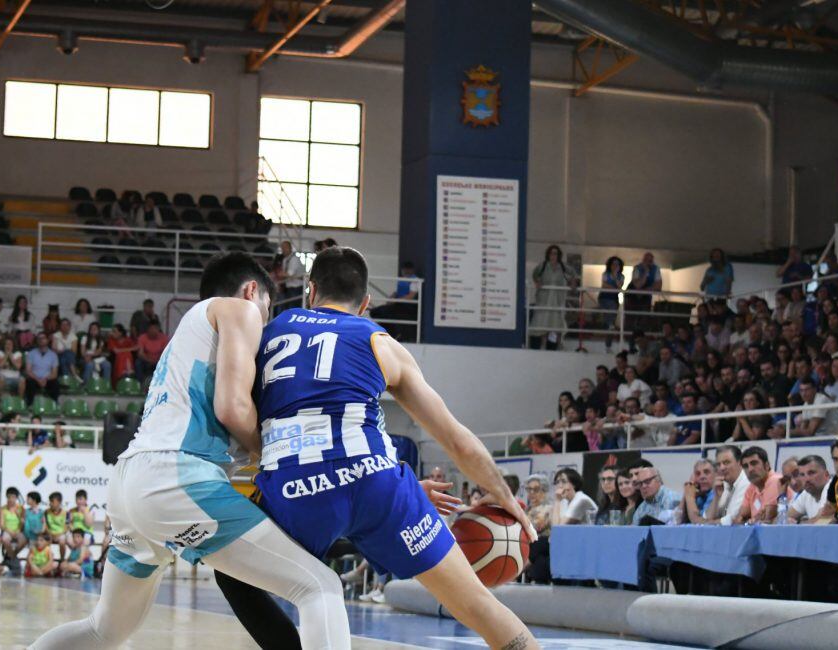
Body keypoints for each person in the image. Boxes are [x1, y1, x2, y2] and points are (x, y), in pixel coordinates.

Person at [31, 252, 355, 650]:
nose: (265, 323)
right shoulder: (238, 309)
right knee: (318, 586)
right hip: (175, 478)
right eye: (267, 311)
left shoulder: (189, 337)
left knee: (104, 630)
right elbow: (232, 408)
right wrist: (275, 454)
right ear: (252, 290)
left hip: (130, 482)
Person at [248, 247, 539, 649]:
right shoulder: (380, 342)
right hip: (377, 483)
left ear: (310, 292)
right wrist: (508, 498)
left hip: (295, 486)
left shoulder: (271, 330)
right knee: (475, 603)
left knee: (242, 578)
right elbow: (455, 439)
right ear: (366, 303)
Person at [531, 244, 577, 350]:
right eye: (551, 253)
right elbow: (535, 274)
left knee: (555, 326)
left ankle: (551, 347)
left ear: (559, 255)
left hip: (557, 301)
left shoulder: (563, 267)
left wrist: (573, 282)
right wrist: (537, 282)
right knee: (540, 323)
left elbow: (573, 274)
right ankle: (538, 347)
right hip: (543, 300)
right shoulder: (542, 266)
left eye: (555, 253)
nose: (553, 255)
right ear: (548, 254)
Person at [735, 446, 784, 524]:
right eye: (746, 466)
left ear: (767, 465)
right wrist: (752, 519)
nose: (750, 469)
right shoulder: (752, 487)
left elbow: (768, 518)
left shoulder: (775, 480)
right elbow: (740, 517)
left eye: (754, 463)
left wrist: (751, 520)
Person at [521, 475, 552, 584]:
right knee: (540, 560)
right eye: (529, 489)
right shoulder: (526, 509)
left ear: (544, 491)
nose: (531, 493)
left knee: (539, 544)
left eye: (536, 489)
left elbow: (536, 527)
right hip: (531, 547)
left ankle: (516, 572)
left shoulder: (548, 508)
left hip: (543, 543)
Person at [712, 445, 751, 525]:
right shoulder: (724, 484)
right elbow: (708, 517)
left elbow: (732, 519)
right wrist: (717, 497)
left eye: (726, 463)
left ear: (740, 463)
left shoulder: (747, 482)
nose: (722, 468)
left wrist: (703, 522)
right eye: (718, 464)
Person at [787, 456, 831, 523]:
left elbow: (822, 521)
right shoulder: (806, 493)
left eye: (811, 473)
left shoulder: (833, 488)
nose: (807, 479)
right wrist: (785, 521)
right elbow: (782, 517)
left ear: (826, 475)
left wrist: (797, 524)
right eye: (802, 474)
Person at [24, 333, 59, 405]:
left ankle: (54, 405)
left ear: (47, 340)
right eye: (39, 338)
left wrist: (45, 379)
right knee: (29, 383)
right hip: (35, 378)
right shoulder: (31, 353)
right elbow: (28, 371)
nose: (41, 340)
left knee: (55, 384)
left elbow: (54, 374)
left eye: (43, 338)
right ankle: (29, 405)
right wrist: (38, 380)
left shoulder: (53, 355)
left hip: (47, 379)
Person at [599, 256, 625, 352]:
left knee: (610, 323)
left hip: (614, 299)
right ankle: (609, 325)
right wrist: (615, 289)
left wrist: (615, 276)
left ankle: (608, 345)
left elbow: (620, 286)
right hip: (604, 298)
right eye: (613, 264)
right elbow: (604, 285)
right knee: (609, 321)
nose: (615, 266)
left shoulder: (621, 276)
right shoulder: (605, 274)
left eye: (617, 264)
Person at [681, 459, 718, 524]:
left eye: (706, 472)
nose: (702, 477)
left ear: (716, 475)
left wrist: (690, 498)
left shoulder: (716, 492)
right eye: (698, 474)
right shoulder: (698, 495)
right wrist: (686, 494)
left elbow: (701, 523)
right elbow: (675, 520)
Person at [274, 240, 305, 311]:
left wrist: (279, 274)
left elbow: (290, 273)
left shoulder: (295, 259)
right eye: (282, 248)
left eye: (285, 248)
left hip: (296, 287)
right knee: (288, 306)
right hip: (289, 286)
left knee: (293, 307)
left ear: (290, 248)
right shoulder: (285, 259)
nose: (283, 250)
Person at [0, 335, 25, 400]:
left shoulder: (18, 354)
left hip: (15, 377)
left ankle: (20, 401)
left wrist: (11, 356)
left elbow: (18, 367)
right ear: (3, 345)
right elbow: (0, 365)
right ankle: (0, 401)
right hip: (2, 377)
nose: (8, 346)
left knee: (22, 380)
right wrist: (6, 355)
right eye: (6, 344)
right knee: (1, 379)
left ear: (13, 345)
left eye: (10, 344)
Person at [44, 492, 70, 560]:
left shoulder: (66, 513)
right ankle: (47, 559)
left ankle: (62, 559)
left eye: (52, 502)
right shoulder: (46, 512)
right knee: (44, 541)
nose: (50, 504)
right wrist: (50, 534)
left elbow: (66, 527)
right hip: (50, 533)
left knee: (62, 541)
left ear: (59, 502)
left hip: (61, 533)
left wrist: (58, 535)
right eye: (50, 501)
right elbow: (45, 525)